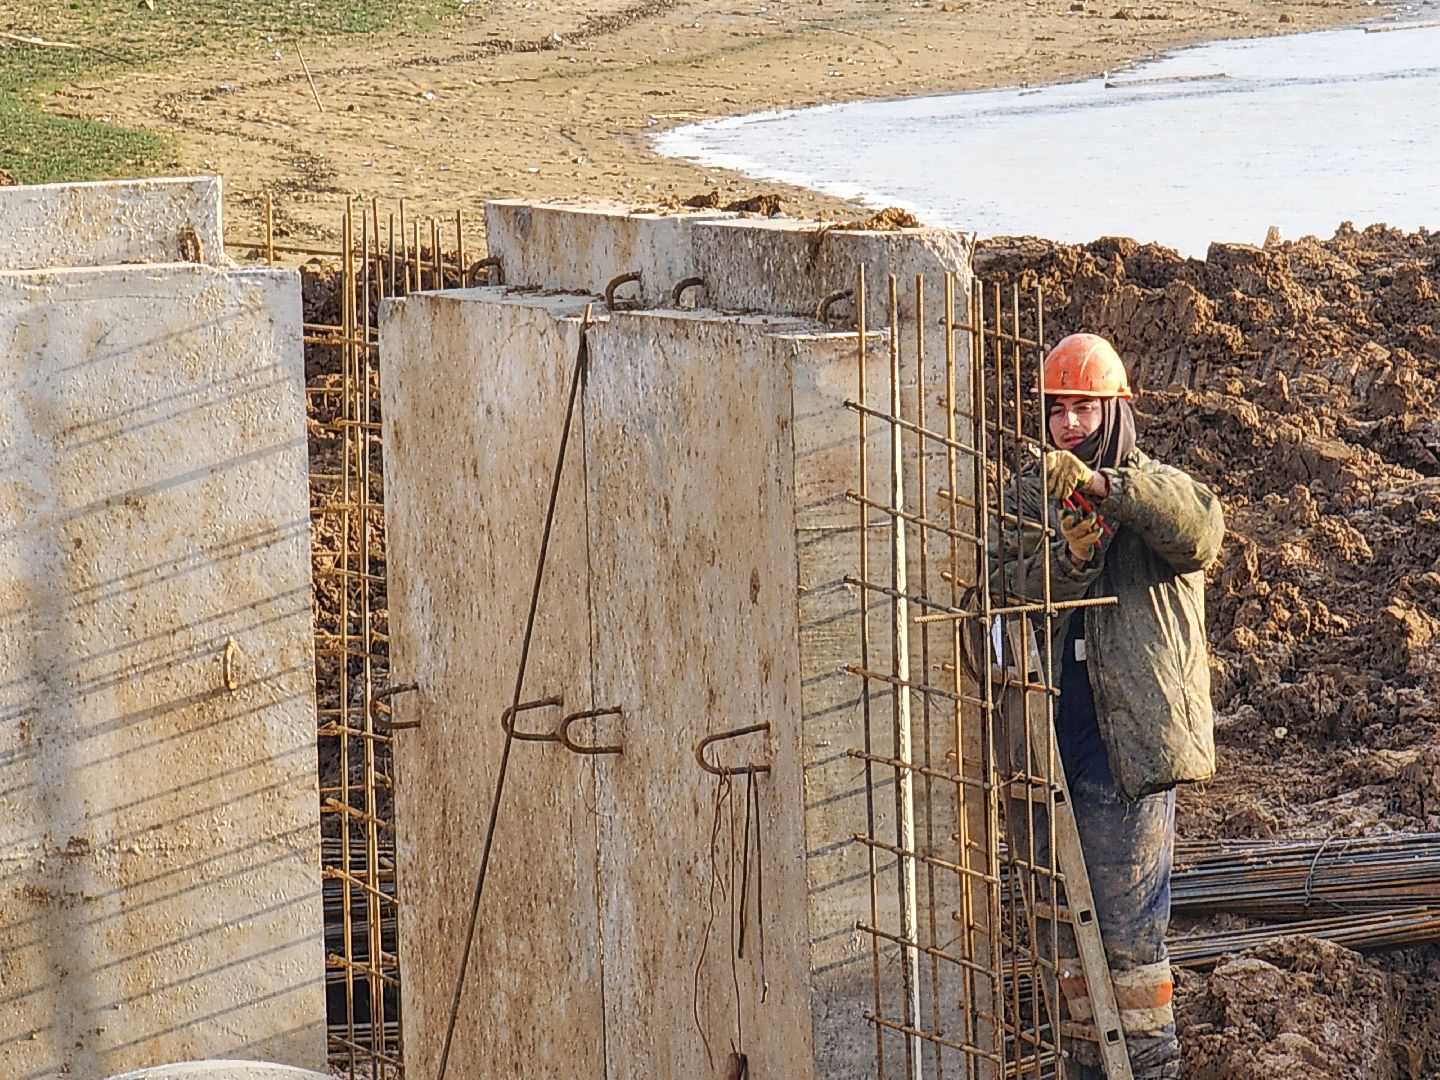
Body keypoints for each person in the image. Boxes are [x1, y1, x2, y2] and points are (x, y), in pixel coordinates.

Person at [996, 332, 1225, 1080]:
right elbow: (1003, 578)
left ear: (1116, 410)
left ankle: (1148, 1067)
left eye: (1084, 408)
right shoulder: (1031, 496)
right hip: (1049, 735)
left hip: (1124, 746)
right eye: (1057, 409)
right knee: (1064, 937)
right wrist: (1071, 557)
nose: (1068, 424)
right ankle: (1085, 1067)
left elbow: (1201, 531)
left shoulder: (1156, 489)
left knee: (1127, 939)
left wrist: (1104, 491)